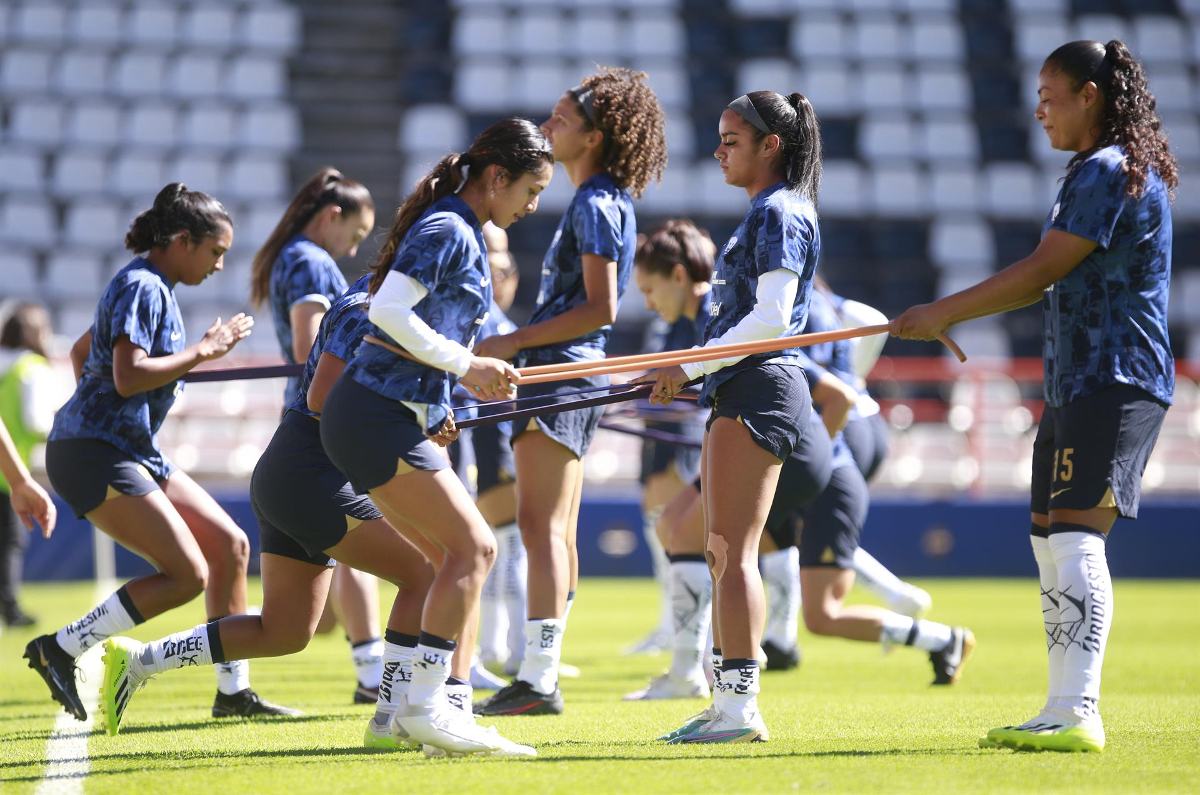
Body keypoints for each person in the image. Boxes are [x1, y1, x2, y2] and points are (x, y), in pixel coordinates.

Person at [892, 40, 1176, 754]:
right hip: (1077, 381)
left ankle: (1079, 709)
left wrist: (942, 312)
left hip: (1115, 377)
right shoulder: (1092, 169)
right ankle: (1058, 706)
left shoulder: (1108, 169)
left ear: (1091, 96)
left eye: (1051, 96)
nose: (1039, 110)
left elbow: (1042, 270)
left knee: (1074, 539)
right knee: (1050, 542)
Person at [100, 274, 439, 753]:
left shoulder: (378, 299)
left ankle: (139, 661)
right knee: (423, 570)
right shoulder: (369, 307)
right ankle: (389, 721)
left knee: (284, 632)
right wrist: (415, 415)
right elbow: (324, 398)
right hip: (309, 474)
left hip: (295, 473)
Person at [319, 117, 554, 756]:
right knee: (474, 550)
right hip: (373, 413)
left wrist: (447, 392)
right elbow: (387, 311)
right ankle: (429, 708)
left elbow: (423, 334)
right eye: (530, 191)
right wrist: (467, 365)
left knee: (442, 560)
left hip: (383, 414)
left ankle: (397, 716)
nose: (532, 206)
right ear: (497, 177)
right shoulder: (449, 227)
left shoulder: (460, 229)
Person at [26, 184, 296, 722]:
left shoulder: (154, 288)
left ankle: (233, 692)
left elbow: (82, 352)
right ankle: (62, 647)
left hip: (123, 448)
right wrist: (202, 351)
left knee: (231, 546)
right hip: (95, 452)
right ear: (181, 241)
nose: (219, 265)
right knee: (186, 575)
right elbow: (127, 376)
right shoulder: (143, 286)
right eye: (215, 251)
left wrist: (100, 407)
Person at [473, 66, 667, 717]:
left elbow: (600, 308)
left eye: (562, 117)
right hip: (570, 372)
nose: (548, 125)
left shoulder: (595, 202)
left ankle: (538, 678)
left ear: (594, 136)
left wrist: (512, 342)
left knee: (539, 527)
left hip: (561, 372)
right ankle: (542, 669)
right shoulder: (599, 199)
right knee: (554, 530)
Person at [641, 90, 823, 744]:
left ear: (771, 145)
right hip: (739, 387)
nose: (719, 151)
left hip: (758, 387)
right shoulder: (765, 211)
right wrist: (693, 370)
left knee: (731, 552)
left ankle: (740, 707)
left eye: (731, 140)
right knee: (722, 552)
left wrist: (687, 365)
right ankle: (727, 701)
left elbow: (772, 319)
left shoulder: (780, 211)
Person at [250, 168, 384, 705]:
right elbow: (310, 348)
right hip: (323, 415)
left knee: (323, 590)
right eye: (355, 235)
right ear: (332, 216)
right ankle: (372, 669)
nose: (353, 249)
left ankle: (369, 663)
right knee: (357, 539)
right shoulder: (308, 260)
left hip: (304, 411)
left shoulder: (290, 256)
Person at [625, 224, 714, 657]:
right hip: (675, 428)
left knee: (696, 535)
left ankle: (715, 643)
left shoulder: (712, 315)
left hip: (698, 433)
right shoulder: (683, 318)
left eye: (649, 290)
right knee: (670, 525)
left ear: (678, 275)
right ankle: (687, 638)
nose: (647, 302)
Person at [472, 224, 529, 678]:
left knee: (496, 548)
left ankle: (495, 648)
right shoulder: (490, 321)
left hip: (484, 438)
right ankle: (514, 650)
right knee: (508, 545)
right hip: (488, 438)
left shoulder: (491, 321)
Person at [0, 303, 57, 626]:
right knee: (10, 541)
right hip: (7, 471)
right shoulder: (32, 367)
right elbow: (37, 421)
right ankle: (11, 609)